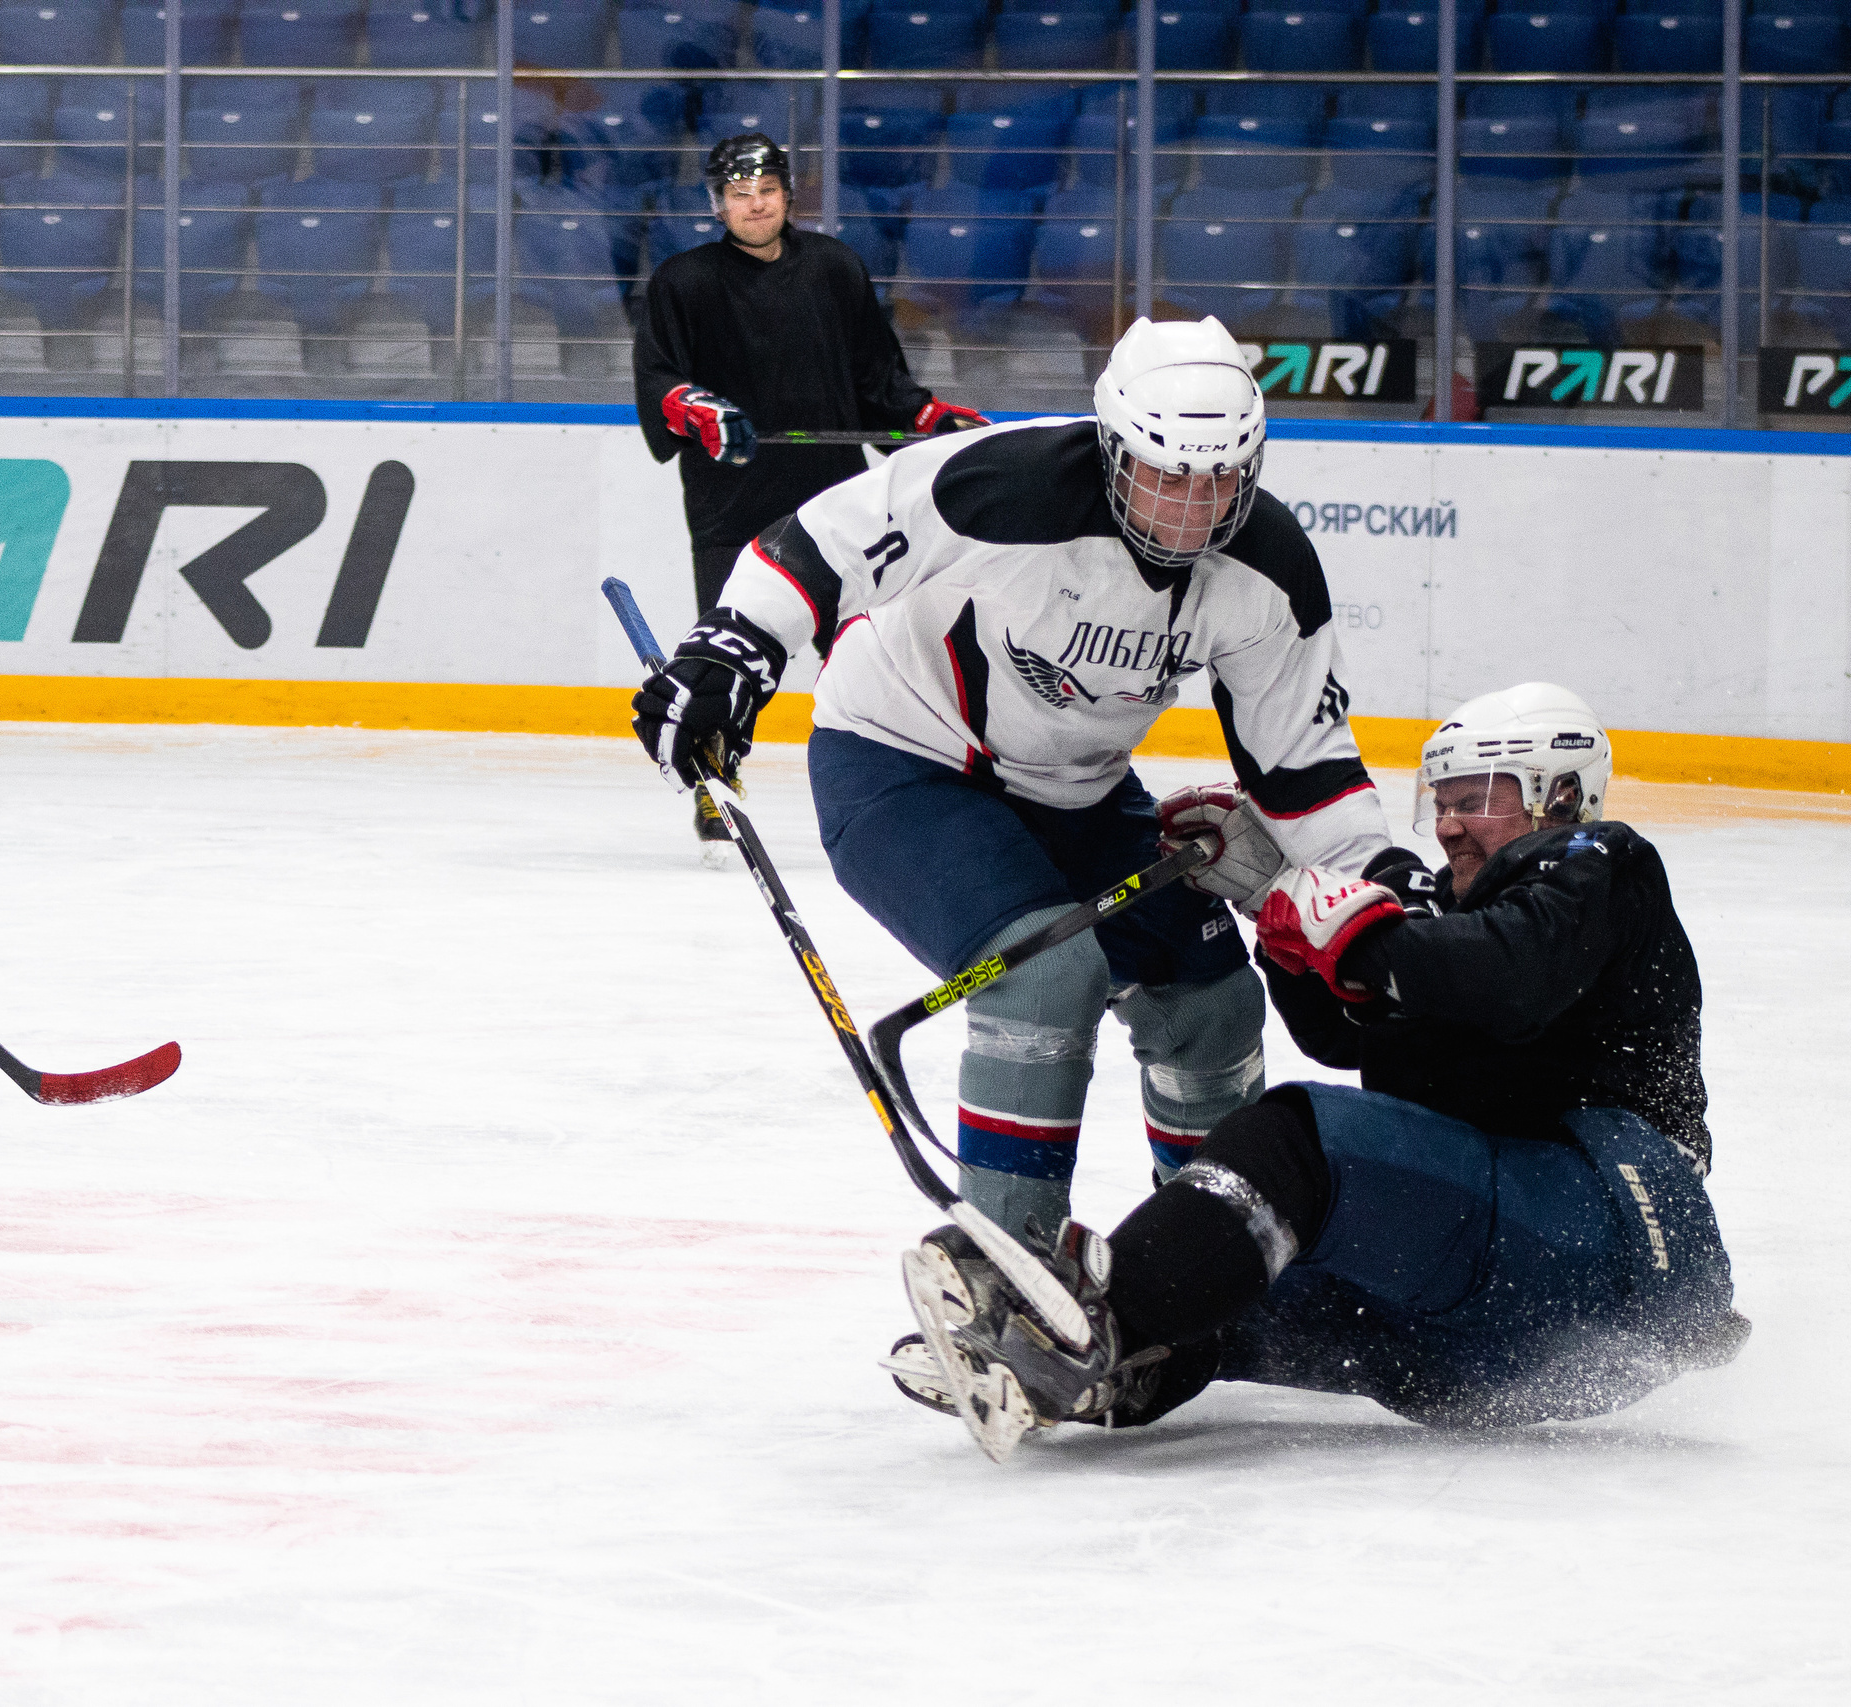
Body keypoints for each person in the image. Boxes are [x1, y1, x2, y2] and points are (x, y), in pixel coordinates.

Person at [633, 315, 1400, 1248]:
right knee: (1043, 977)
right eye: (1166, 476)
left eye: (1221, 478)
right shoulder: (1007, 481)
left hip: (1081, 794)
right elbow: (820, 538)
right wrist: (737, 644)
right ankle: (1010, 1265)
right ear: (1115, 449)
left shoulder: (1268, 568)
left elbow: (1306, 766)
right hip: (902, 759)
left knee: (1215, 1002)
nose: (1193, 510)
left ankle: (1212, 1263)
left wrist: (1384, 897)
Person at [893, 683, 1747, 1462]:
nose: (1449, 824)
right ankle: (1109, 1374)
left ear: (1562, 795)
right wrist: (1278, 900)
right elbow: (1354, 1034)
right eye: (1440, 801)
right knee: (1222, 1282)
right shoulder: (1458, 929)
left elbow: (1507, 974)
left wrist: (1363, 930)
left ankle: (1078, 1333)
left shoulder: (1602, 865)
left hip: (1618, 1233)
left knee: (1295, 1144)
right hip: (1488, 1345)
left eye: (1478, 797)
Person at [632, 131, 987, 855]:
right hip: (730, 502)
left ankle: (903, 777)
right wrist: (698, 408)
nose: (754, 205)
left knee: (868, 649)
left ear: (787, 194)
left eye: (766, 192)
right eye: (739, 194)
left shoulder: (833, 268)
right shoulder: (684, 281)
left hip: (832, 504)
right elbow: (659, 379)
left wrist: (924, 420)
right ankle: (714, 783)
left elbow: (876, 378)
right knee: (733, 651)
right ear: (718, 202)